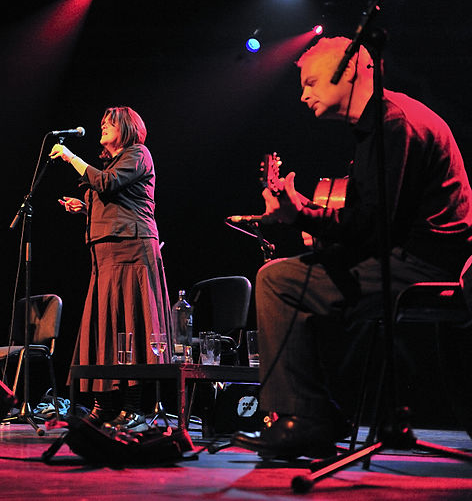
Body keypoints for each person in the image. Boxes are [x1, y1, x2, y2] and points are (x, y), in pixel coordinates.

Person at [232, 37, 472, 459]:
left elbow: (373, 226)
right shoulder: (381, 122)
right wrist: (303, 212)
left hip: (426, 262)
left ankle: (304, 419)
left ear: (347, 72)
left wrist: (300, 216)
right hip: (412, 253)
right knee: (295, 277)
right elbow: (369, 220)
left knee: (278, 281)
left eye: (310, 82)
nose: (302, 93)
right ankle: (318, 415)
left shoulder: (393, 124)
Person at [50, 106, 174, 432]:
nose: (102, 126)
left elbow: (107, 184)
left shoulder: (138, 153)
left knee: (130, 324)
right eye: (101, 122)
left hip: (131, 251)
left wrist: (70, 158)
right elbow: (111, 196)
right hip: (105, 256)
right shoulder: (114, 161)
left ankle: (133, 407)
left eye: (109, 123)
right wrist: (83, 207)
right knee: (105, 328)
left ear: (127, 128)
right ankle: (102, 405)